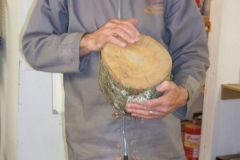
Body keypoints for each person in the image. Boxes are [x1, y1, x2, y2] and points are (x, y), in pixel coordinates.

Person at [22, 0, 210, 160]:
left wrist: (183, 92)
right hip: (91, 146)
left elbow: (193, 52)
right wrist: (88, 42)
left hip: (159, 145)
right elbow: (34, 46)